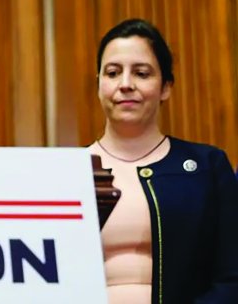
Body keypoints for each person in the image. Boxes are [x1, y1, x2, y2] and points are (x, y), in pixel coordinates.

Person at [89, 18, 238, 303]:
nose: (125, 84)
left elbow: (232, 277)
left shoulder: (208, 167)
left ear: (166, 87)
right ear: (98, 84)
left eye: (142, 73)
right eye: (112, 72)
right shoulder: (65, 170)